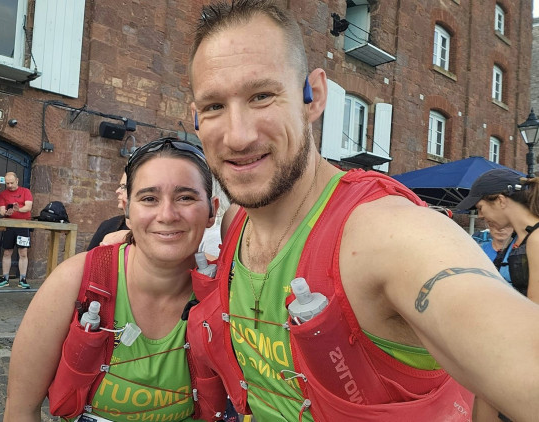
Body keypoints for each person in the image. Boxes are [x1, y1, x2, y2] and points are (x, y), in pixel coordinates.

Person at [185, 1, 539, 421]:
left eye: (262, 96)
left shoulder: (383, 232)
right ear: (195, 119)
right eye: (213, 107)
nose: (238, 135)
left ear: (312, 96)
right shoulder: (234, 224)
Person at [4, 138, 219, 421]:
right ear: (128, 212)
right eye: (149, 198)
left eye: (186, 197)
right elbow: (20, 410)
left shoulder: (226, 290)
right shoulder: (73, 281)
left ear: (212, 211)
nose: (167, 215)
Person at [457, 168, 539, 301]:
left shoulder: (536, 238)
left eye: (480, 208)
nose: (480, 216)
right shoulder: (518, 239)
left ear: (501, 200)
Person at [0, 172, 33, 289]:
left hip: (23, 225)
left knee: (23, 252)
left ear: (17, 180)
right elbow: (1, 210)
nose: (10, 185)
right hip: (9, 226)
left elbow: (28, 207)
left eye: (12, 183)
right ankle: (5, 278)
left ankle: (23, 279)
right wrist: (6, 212)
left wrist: (19, 209)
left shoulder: (25, 191)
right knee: (7, 252)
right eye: (7, 183)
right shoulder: (3, 194)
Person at [86, 172, 129, 250]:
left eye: (124, 186)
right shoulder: (109, 225)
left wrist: (129, 236)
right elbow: (88, 258)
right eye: (120, 186)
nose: (117, 191)